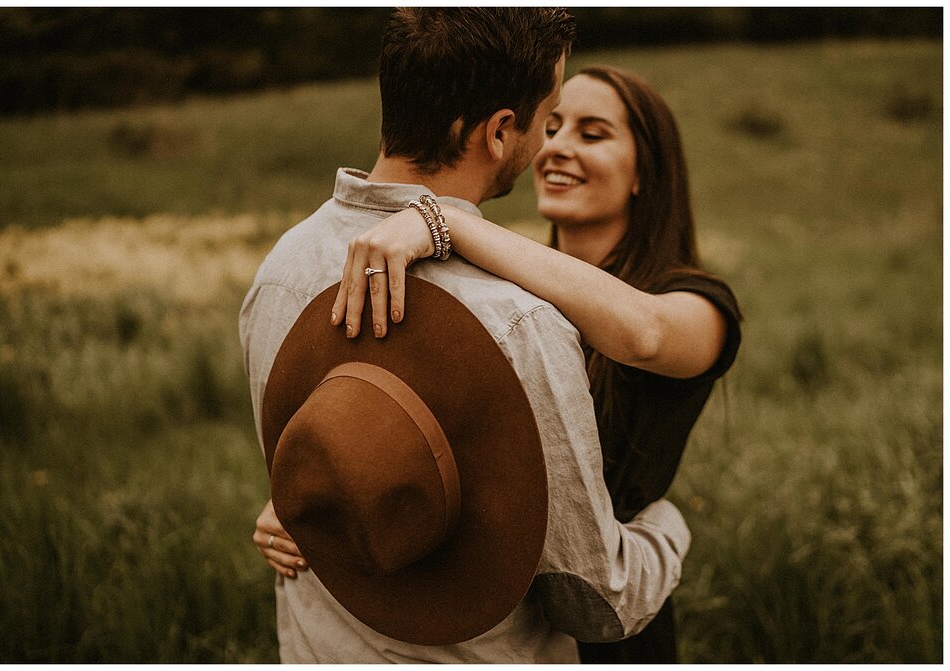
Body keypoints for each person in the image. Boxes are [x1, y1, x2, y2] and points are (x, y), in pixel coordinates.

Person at [241, 8, 694, 663]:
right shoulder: (519, 320)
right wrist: (666, 527)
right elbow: (595, 596)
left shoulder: (282, 271)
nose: (546, 143)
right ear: (501, 132)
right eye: (547, 118)